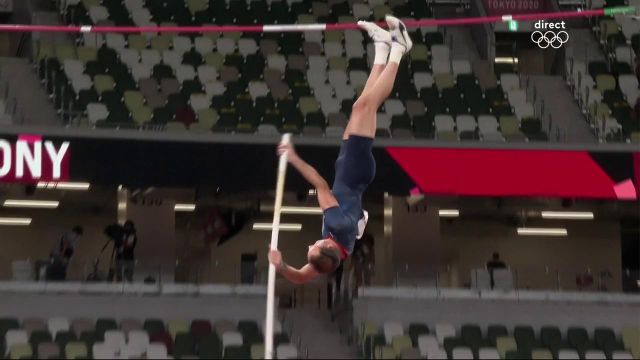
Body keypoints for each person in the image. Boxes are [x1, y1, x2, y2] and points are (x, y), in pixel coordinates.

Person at [268, 15, 412, 284]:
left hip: (350, 171)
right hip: (354, 169)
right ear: (328, 247)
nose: (310, 244)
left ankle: (381, 47)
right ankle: (400, 49)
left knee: (361, 105)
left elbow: (300, 277)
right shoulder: (336, 228)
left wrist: (281, 266)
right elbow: (320, 185)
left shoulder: (334, 257)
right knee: (367, 106)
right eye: (314, 245)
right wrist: (293, 157)